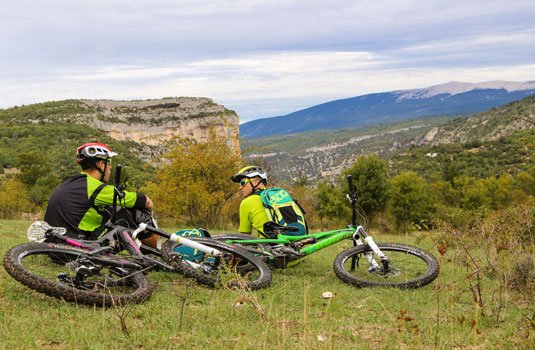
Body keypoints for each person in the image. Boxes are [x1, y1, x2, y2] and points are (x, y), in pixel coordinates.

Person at [44, 141, 158, 247]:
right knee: (135, 212)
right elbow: (145, 201)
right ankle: (158, 251)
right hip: (77, 247)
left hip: (55, 247)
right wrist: (149, 207)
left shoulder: (70, 182)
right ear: (101, 165)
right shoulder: (94, 187)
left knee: (109, 210)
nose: (111, 167)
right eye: (109, 162)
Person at [231, 166, 269, 237]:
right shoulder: (278, 196)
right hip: (290, 245)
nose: (240, 187)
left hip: (267, 247)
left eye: (243, 183)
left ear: (256, 181)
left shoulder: (247, 202)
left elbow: (244, 238)